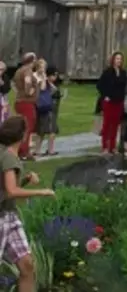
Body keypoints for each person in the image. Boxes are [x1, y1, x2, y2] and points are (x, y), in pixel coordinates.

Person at [0, 116, 56, 291]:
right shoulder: (9, 157)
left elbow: (5, 188)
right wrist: (42, 192)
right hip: (2, 218)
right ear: (22, 134)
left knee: (27, 265)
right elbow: (11, 191)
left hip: (10, 216)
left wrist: (24, 179)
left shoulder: (5, 153)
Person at [96, 52, 127, 155]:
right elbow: (100, 85)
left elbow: (123, 86)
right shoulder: (108, 72)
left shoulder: (123, 72)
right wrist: (105, 96)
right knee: (107, 124)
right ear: (113, 60)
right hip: (109, 101)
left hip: (119, 101)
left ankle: (113, 147)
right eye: (117, 58)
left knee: (115, 125)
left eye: (120, 59)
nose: (119, 61)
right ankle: (105, 146)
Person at [12, 54, 38, 160]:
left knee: (22, 126)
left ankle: (20, 149)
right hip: (26, 102)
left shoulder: (19, 71)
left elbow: (13, 84)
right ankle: (24, 151)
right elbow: (28, 86)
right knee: (28, 126)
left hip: (19, 101)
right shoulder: (27, 71)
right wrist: (32, 91)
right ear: (32, 60)